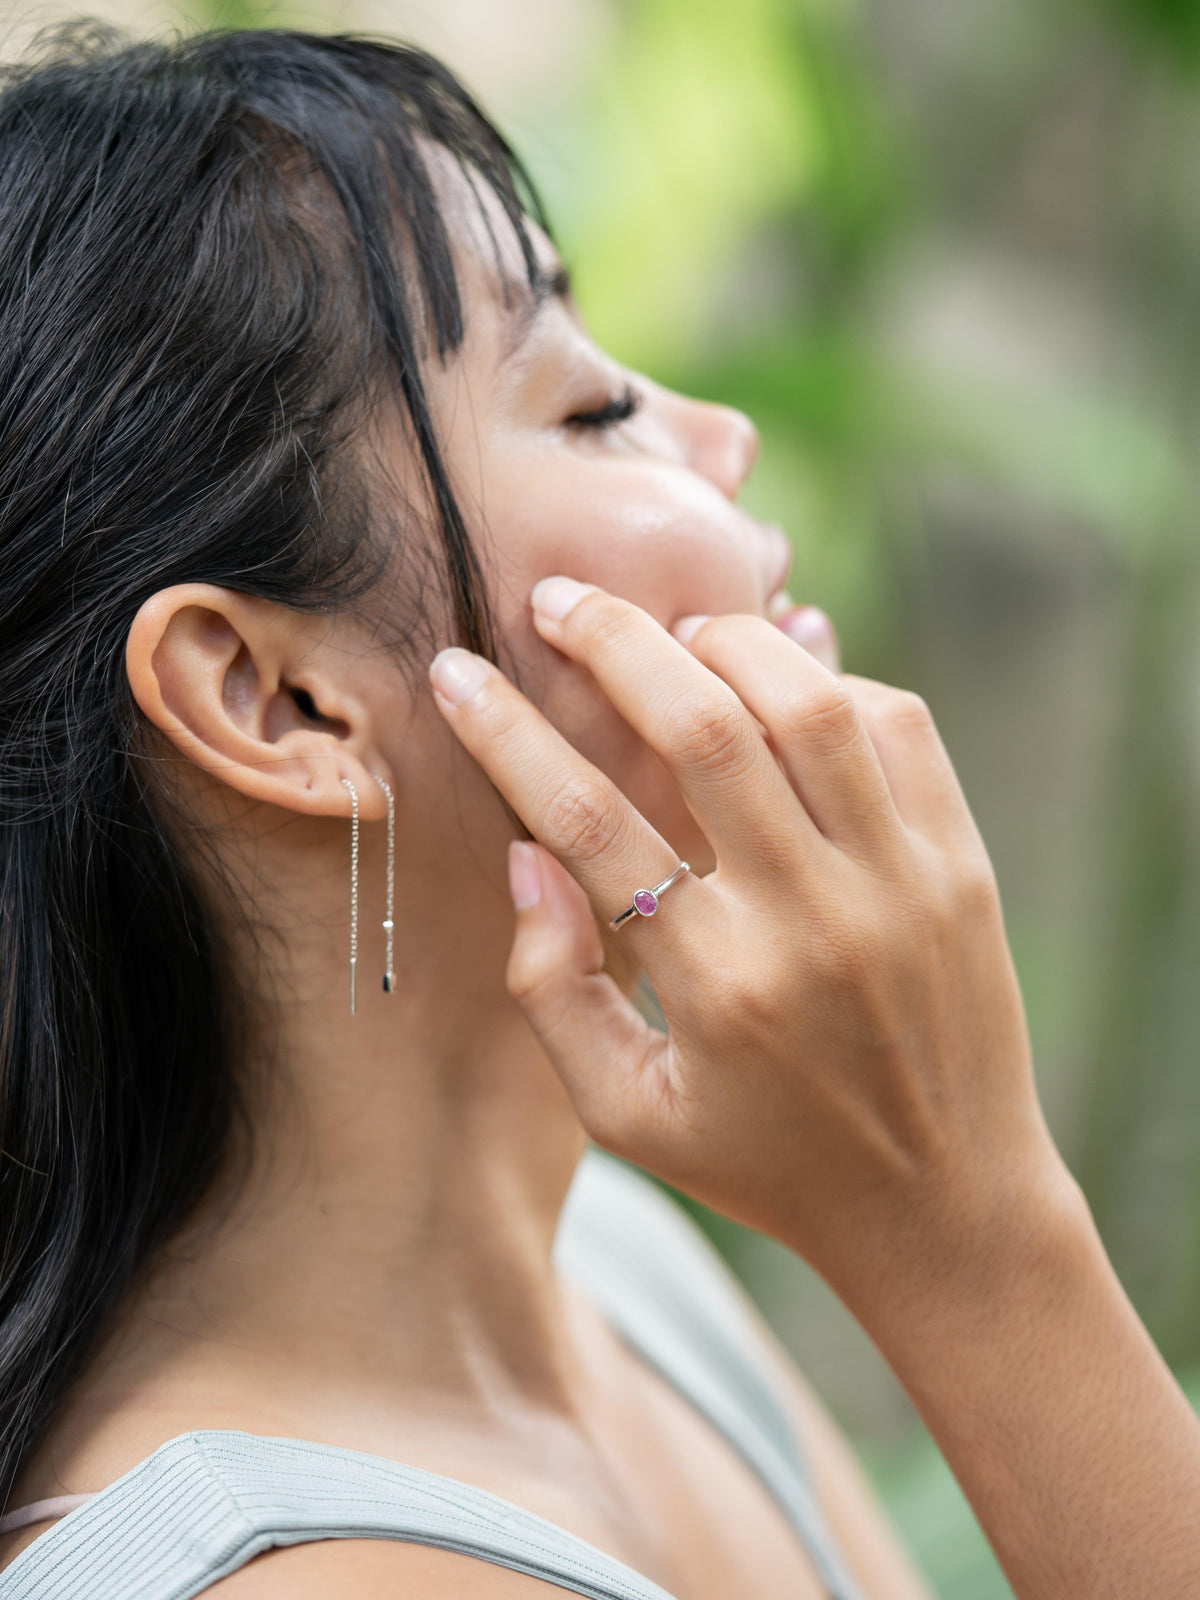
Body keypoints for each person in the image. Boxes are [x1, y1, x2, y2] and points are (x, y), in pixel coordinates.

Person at [0, 21, 1196, 1600]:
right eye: (586, 406)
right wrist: (972, 1231)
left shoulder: (615, 1272)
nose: (725, 436)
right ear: (280, 703)